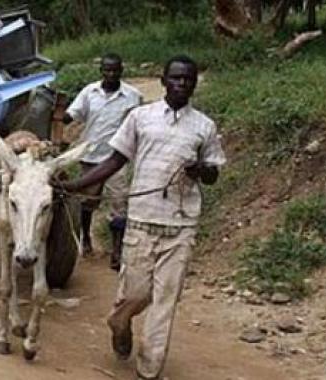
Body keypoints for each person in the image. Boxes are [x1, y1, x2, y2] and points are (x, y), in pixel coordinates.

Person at [55, 55, 225, 380]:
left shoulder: (204, 126)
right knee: (135, 294)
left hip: (181, 223)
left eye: (188, 79)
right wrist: (75, 185)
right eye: (175, 78)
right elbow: (115, 160)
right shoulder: (140, 117)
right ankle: (120, 322)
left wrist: (202, 170)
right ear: (163, 81)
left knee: (165, 299)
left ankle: (149, 368)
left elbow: (213, 173)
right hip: (142, 222)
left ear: (194, 84)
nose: (182, 84)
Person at [62, 53, 143, 270]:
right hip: (90, 156)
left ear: (121, 70)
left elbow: (137, 126)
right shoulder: (89, 93)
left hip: (117, 159)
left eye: (115, 70)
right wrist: (56, 115)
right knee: (86, 202)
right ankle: (85, 238)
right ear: (101, 72)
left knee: (119, 203)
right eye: (107, 70)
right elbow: (71, 114)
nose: (111, 74)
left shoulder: (133, 96)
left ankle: (117, 251)